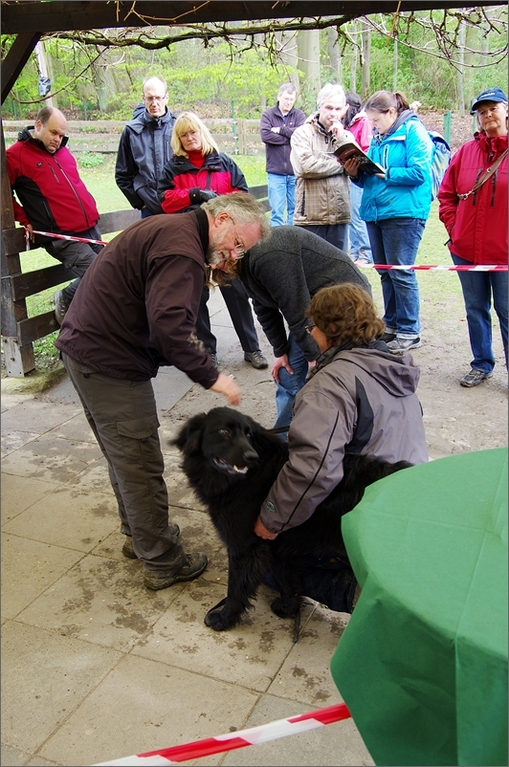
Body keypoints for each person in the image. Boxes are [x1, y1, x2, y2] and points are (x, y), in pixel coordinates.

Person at [55, 193, 270, 591]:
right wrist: (212, 376)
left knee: (123, 455)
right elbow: (170, 330)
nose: (234, 255)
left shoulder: (172, 229)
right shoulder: (183, 251)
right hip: (108, 363)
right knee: (139, 463)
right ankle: (162, 560)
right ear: (221, 219)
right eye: (237, 243)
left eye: (242, 251)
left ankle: (140, 535)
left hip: (86, 351)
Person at [253, 283, 429, 610]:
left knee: (264, 557)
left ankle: (362, 596)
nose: (312, 332)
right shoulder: (392, 364)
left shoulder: (330, 385)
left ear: (329, 331)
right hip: (408, 496)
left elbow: (313, 470)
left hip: (369, 506)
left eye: (314, 326)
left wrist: (271, 518)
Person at [210, 226, 371, 430]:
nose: (216, 264)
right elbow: (262, 303)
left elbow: (297, 308)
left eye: (219, 256)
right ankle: (284, 440)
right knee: (287, 374)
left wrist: (316, 358)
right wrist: (280, 351)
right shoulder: (238, 262)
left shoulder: (266, 254)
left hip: (344, 303)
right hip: (311, 309)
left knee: (335, 377)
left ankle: (342, 432)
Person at [158, 111, 268, 370]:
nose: (189, 138)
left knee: (237, 293)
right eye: (183, 135)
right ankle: (207, 351)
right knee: (196, 298)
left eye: (192, 132)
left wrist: (219, 201)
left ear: (202, 132)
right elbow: (164, 201)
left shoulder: (224, 163)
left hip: (224, 240)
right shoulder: (172, 168)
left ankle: (251, 347)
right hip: (193, 240)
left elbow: (243, 195)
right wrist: (194, 195)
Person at [342, 90, 433, 354]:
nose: (372, 126)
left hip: (404, 213)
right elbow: (372, 176)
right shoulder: (380, 137)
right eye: (370, 121)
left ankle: (410, 329)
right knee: (385, 271)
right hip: (376, 212)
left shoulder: (413, 131)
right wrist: (356, 173)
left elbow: (419, 171)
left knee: (402, 271)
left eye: (376, 120)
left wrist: (385, 172)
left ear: (391, 113)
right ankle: (392, 322)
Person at [6, 106, 103, 325]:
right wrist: (24, 218)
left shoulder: (62, 151)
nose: (58, 139)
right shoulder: (16, 155)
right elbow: (3, 196)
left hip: (89, 227)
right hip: (61, 236)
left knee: (117, 270)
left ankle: (94, 325)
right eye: (54, 133)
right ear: (38, 125)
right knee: (102, 274)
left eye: (61, 134)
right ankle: (67, 298)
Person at [438, 88, 508, 387]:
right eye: (481, 111)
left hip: (504, 253)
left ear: (505, 110)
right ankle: (481, 363)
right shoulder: (466, 152)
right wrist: (456, 229)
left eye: (492, 108)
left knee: (506, 311)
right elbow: (446, 196)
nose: (487, 115)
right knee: (475, 308)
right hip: (466, 249)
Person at [290, 82, 352, 251]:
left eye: (338, 109)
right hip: (310, 217)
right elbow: (307, 167)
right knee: (312, 273)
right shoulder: (302, 134)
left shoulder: (346, 136)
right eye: (329, 108)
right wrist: (341, 165)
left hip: (339, 217)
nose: (333, 113)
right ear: (320, 106)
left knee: (340, 273)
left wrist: (341, 140)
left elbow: (355, 165)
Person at [115, 75, 177, 218]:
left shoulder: (179, 127)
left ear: (166, 97)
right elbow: (122, 174)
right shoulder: (132, 131)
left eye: (158, 97)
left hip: (178, 207)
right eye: (150, 98)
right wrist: (139, 202)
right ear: (143, 98)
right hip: (149, 209)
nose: (154, 103)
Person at [260, 82, 306, 226]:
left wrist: (281, 130)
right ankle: (277, 245)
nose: (288, 102)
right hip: (276, 172)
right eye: (286, 98)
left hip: (295, 172)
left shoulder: (299, 115)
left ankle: (292, 243)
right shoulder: (268, 115)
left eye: (291, 99)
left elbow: (301, 135)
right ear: (279, 96)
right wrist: (289, 138)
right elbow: (266, 136)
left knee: (295, 211)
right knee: (277, 212)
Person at [342, 92, 373, 265]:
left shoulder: (364, 122)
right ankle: (354, 251)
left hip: (359, 174)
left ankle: (365, 252)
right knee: (351, 215)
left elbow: (367, 149)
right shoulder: (347, 125)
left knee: (357, 214)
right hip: (350, 173)